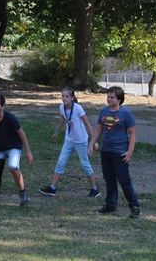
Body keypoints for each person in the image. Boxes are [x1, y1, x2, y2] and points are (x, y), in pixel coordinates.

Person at [88, 86, 141, 218]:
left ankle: (134, 206)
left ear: (119, 99)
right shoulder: (104, 111)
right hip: (106, 151)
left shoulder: (126, 114)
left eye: (112, 97)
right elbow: (99, 129)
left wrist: (129, 152)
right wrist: (91, 143)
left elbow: (133, 133)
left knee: (124, 180)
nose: (109, 99)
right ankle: (110, 205)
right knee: (109, 179)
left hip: (119, 152)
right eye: (108, 96)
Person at [39, 87, 100, 197]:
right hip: (69, 140)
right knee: (60, 162)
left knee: (85, 164)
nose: (64, 98)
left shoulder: (78, 108)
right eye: (62, 96)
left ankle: (95, 189)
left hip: (81, 141)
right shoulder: (61, 107)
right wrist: (57, 132)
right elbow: (62, 120)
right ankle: (52, 188)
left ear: (72, 98)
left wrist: (93, 140)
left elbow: (87, 124)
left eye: (67, 96)